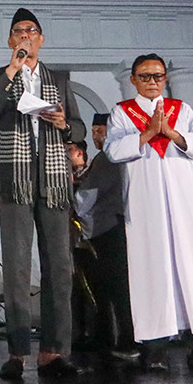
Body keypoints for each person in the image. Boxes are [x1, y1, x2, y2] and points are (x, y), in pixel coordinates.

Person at [0, 9, 84, 381]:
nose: (25, 36)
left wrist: (64, 124)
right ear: (11, 40)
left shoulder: (57, 78)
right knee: (18, 266)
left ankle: (55, 351)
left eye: (32, 31)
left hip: (53, 178)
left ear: (41, 39)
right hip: (14, 178)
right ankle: (18, 352)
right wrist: (11, 71)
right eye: (18, 32)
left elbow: (78, 125)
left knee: (59, 266)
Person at [105, 54, 193, 372]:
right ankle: (155, 344)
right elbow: (113, 151)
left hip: (183, 199)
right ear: (133, 80)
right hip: (144, 201)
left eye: (158, 76)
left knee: (192, 266)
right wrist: (147, 133)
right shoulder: (122, 113)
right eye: (145, 76)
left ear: (166, 78)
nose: (153, 82)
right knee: (150, 266)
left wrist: (171, 132)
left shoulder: (182, 110)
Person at [74, 113, 136, 362]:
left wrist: (72, 205)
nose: (96, 135)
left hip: (108, 227)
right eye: (95, 130)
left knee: (116, 287)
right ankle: (113, 336)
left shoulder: (109, 158)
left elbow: (88, 196)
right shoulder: (114, 158)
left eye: (101, 130)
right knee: (111, 287)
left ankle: (126, 339)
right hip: (113, 225)